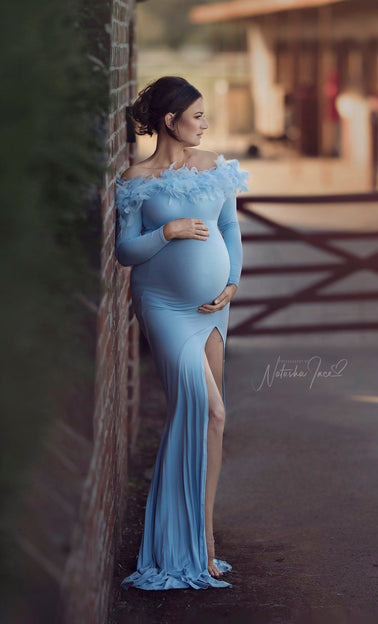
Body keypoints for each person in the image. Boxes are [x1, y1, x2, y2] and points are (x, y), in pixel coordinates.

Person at [115, 76, 249, 590]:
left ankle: (205, 539)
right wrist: (165, 232)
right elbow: (125, 252)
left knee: (211, 423)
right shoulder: (137, 178)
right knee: (209, 410)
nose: (205, 124)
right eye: (197, 116)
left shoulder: (215, 166)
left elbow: (230, 230)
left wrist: (233, 281)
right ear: (169, 121)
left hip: (212, 308)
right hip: (164, 306)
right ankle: (184, 545)